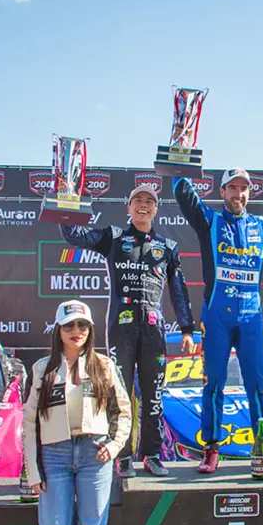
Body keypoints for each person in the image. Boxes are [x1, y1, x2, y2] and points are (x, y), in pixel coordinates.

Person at [175, 168, 263, 474]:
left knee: (258, 386)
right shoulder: (209, 221)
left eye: (243, 189)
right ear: (222, 192)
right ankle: (211, 449)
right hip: (216, 317)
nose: (238, 194)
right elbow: (184, 197)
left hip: (251, 317)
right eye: (232, 188)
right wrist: (178, 165)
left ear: (249, 194)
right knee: (213, 383)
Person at [60, 183, 194, 478]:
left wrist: (186, 329)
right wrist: (67, 201)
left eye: (149, 201)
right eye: (137, 200)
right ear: (128, 208)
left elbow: (178, 291)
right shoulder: (113, 237)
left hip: (153, 328)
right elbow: (74, 235)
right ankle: (121, 456)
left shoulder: (168, 247)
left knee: (153, 395)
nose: (143, 205)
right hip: (121, 325)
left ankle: (152, 455)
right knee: (119, 393)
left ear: (156, 209)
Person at [23, 300, 132, 525]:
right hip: (54, 456)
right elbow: (29, 420)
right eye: (69, 325)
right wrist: (32, 469)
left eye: (82, 325)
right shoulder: (42, 368)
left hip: (94, 454)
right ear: (58, 330)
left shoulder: (104, 365)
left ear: (90, 330)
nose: (76, 331)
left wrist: (113, 447)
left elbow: (124, 413)